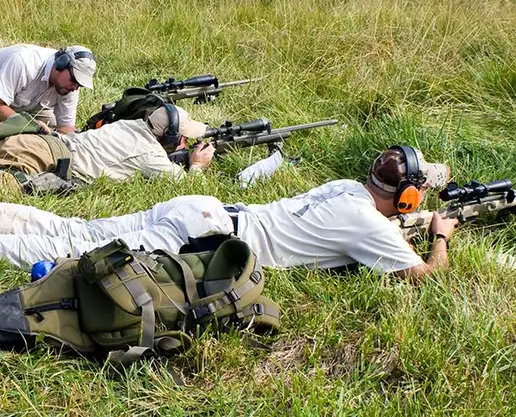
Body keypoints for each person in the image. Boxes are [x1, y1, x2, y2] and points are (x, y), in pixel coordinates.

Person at [0, 146, 458, 281]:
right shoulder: (369, 226)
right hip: (205, 235)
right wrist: (440, 234)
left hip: (203, 210)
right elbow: (426, 276)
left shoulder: (345, 190)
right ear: (407, 199)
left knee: (76, 228)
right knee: (76, 251)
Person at [0, 104, 215, 193]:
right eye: (184, 138)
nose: (186, 143)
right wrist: (196, 165)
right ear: (169, 137)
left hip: (41, 144)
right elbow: (189, 188)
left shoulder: (131, 125)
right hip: (44, 154)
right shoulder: (149, 155)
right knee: (6, 188)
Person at [0, 44, 97, 134]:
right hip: (2, 103)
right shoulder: (23, 63)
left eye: (80, 84)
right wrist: (29, 126)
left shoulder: (70, 87)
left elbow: (66, 128)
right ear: (61, 63)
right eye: (74, 80)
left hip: (25, 108)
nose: (75, 88)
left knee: (51, 126)